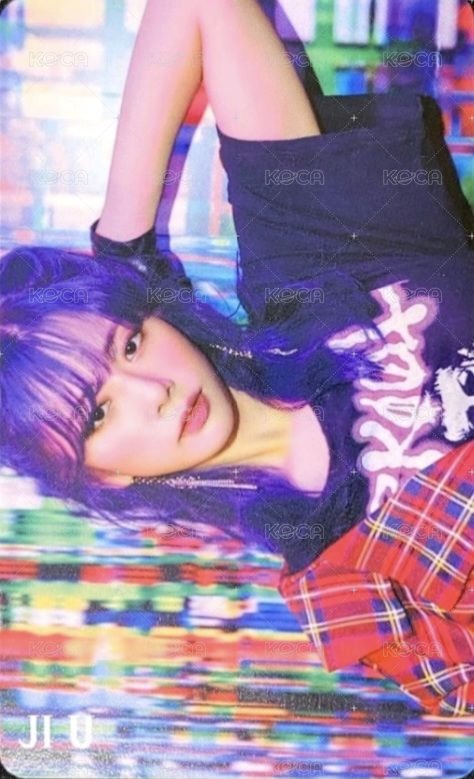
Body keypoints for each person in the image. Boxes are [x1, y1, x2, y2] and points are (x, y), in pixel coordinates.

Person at [1, 0, 473, 715]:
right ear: (103, 474)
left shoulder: (310, 273)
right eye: (97, 412)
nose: (152, 390)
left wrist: (121, 254)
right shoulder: (343, 580)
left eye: (129, 342)